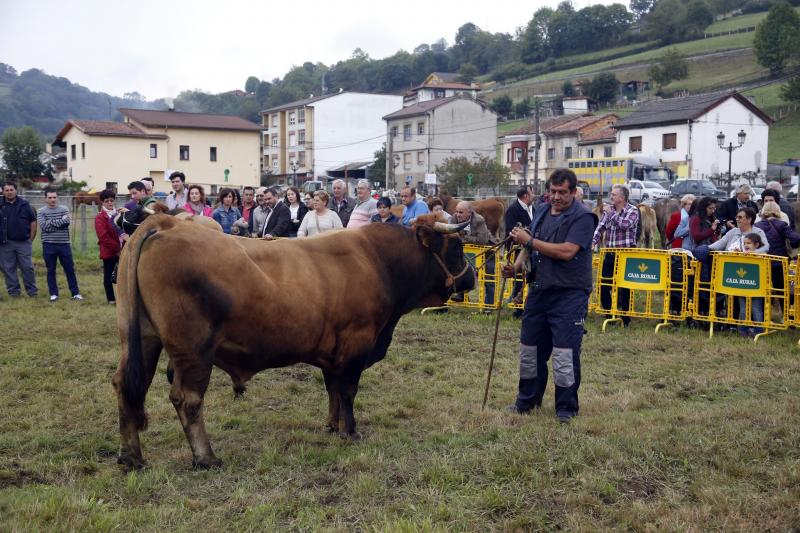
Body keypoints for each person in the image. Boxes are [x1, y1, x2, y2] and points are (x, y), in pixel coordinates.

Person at [502, 169, 597, 423]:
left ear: (574, 192)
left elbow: (567, 251)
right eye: (552, 192)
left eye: (562, 192)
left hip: (569, 295)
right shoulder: (542, 210)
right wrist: (517, 267)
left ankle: (566, 409)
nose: (556, 197)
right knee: (529, 350)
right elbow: (527, 244)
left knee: (565, 354)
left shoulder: (584, 217)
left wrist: (530, 241)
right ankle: (527, 401)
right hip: (538, 291)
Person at [592, 184, 640, 327]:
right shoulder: (609, 210)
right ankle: (609, 314)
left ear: (622, 197)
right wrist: (593, 242)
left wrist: (611, 214)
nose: (611, 196)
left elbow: (625, 225)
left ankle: (625, 317)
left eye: (614, 194)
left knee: (625, 286)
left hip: (626, 254)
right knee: (604, 284)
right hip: (610, 253)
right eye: (611, 194)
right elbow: (600, 228)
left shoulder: (633, 210)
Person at [38, 188, 82, 302]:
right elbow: (44, 227)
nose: (53, 199)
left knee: (69, 270)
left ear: (57, 197)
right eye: (50, 197)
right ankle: (53, 294)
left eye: (54, 197)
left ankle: (75, 293)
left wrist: (51, 222)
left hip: (64, 244)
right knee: (51, 270)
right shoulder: (41, 211)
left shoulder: (64, 209)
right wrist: (60, 222)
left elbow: (67, 222)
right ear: (45, 198)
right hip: (48, 245)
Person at [451, 201, 496, 307]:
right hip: (469, 251)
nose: (458, 214)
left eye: (461, 212)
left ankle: (489, 305)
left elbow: (482, 240)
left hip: (487, 251)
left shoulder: (479, 220)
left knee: (488, 276)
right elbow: (452, 235)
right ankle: (461, 295)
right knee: (461, 270)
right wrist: (465, 239)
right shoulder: (454, 218)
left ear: (469, 213)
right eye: (457, 212)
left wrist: (463, 238)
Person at [0, 181, 38, 298]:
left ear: (16, 190)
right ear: (3, 191)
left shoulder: (24, 204)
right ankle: (14, 292)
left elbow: (33, 221)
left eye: (11, 190)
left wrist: (30, 239)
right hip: (5, 243)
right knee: (9, 269)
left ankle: (32, 292)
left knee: (27, 267)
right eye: (7, 190)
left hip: (23, 243)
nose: (9, 192)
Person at [95, 189, 122, 304]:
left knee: (122, 275)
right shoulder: (100, 218)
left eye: (112, 200)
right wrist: (117, 249)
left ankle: (123, 297)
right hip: (110, 251)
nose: (110, 203)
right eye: (107, 201)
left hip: (123, 249)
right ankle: (111, 298)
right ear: (102, 202)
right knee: (108, 275)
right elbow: (103, 237)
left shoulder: (120, 214)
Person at [737, 233, 766, 338]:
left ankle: (759, 331)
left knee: (756, 309)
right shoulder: (742, 254)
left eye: (749, 243)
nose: (746, 245)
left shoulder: (762, 254)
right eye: (744, 243)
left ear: (756, 245)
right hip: (742, 287)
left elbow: (765, 261)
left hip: (757, 288)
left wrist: (754, 255)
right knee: (743, 310)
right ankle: (742, 331)